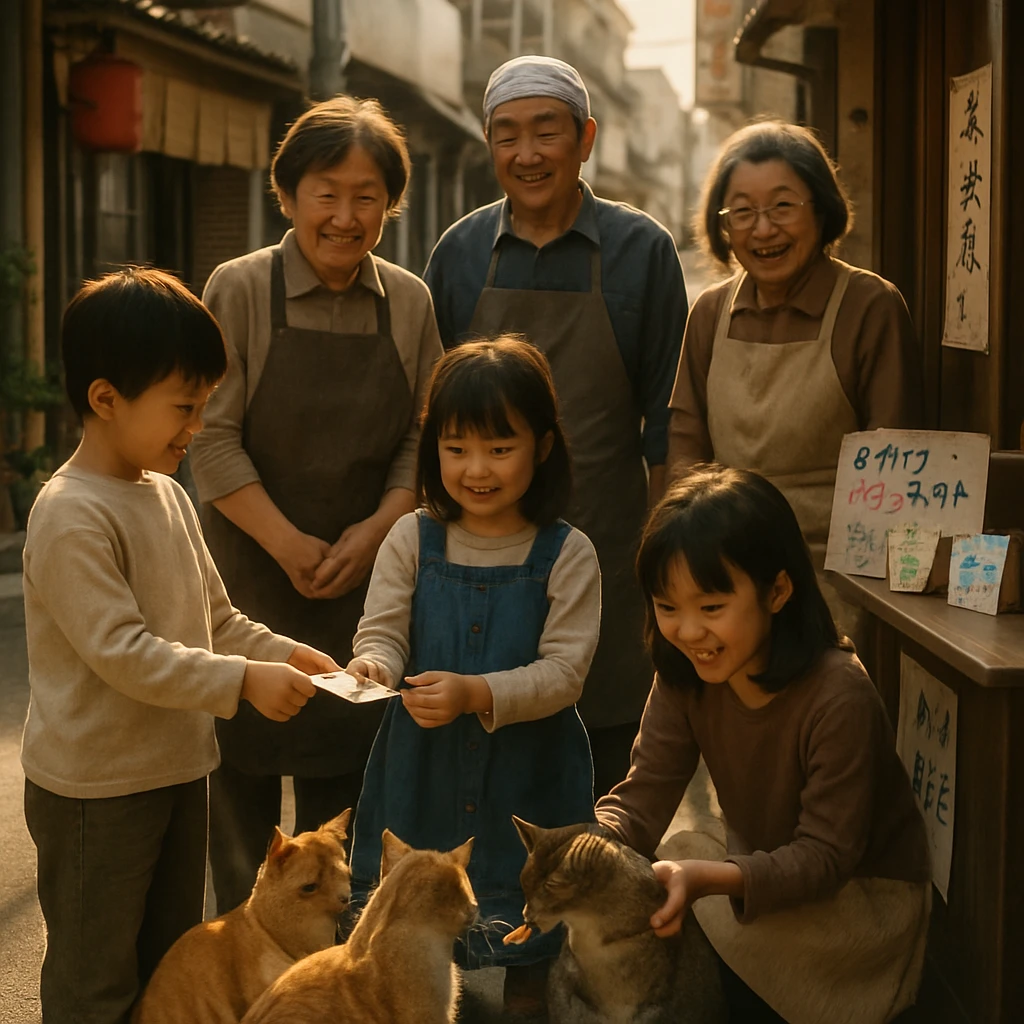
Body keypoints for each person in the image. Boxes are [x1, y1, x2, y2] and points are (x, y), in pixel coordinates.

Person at [20, 268, 338, 1024]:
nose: (196, 427)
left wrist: (286, 654)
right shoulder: (70, 515)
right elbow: (124, 652)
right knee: (95, 977)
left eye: (202, 407)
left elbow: (215, 619)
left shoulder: (164, 492)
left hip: (177, 770)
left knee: (167, 959)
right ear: (105, 400)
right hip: (95, 791)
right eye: (184, 408)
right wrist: (242, 680)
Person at [188, 97, 444, 912]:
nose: (344, 215)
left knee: (344, 839)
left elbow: (421, 438)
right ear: (288, 194)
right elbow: (209, 437)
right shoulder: (239, 288)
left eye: (366, 194)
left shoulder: (408, 302)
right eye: (325, 192)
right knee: (242, 843)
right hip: (244, 590)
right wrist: (290, 544)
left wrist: (374, 533)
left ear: (390, 204)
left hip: (361, 599)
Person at [424, 55, 688, 797]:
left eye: (547, 131)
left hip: (607, 542)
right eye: (507, 135)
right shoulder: (459, 253)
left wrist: (662, 551)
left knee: (603, 752)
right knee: (487, 742)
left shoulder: (644, 252)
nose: (528, 153)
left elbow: (666, 420)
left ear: (587, 138)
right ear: (487, 144)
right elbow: (431, 413)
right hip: (480, 552)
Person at [596, 466, 932, 1024]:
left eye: (710, 608)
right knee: (664, 869)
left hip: (856, 903)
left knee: (682, 879)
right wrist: (586, 849)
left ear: (777, 591)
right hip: (759, 868)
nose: (687, 631)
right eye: (667, 606)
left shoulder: (839, 694)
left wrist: (707, 879)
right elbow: (643, 796)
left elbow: (825, 857)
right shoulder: (684, 669)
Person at [346, 338, 600, 1016]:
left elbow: (566, 672)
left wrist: (477, 693)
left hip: (529, 781)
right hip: (420, 770)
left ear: (543, 446)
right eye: (455, 449)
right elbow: (382, 631)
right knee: (406, 941)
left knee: (529, 946)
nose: (476, 469)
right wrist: (372, 665)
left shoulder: (568, 553)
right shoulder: (411, 537)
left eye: (499, 447)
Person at [668, 120, 921, 553]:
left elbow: (893, 471)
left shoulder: (870, 306)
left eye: (782, 206)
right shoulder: (709, 312)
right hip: (730, 571)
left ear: (821, 210)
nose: (763, 230)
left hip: (841, 577)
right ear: (724, 226)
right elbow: (685, 454)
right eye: (743, 212)